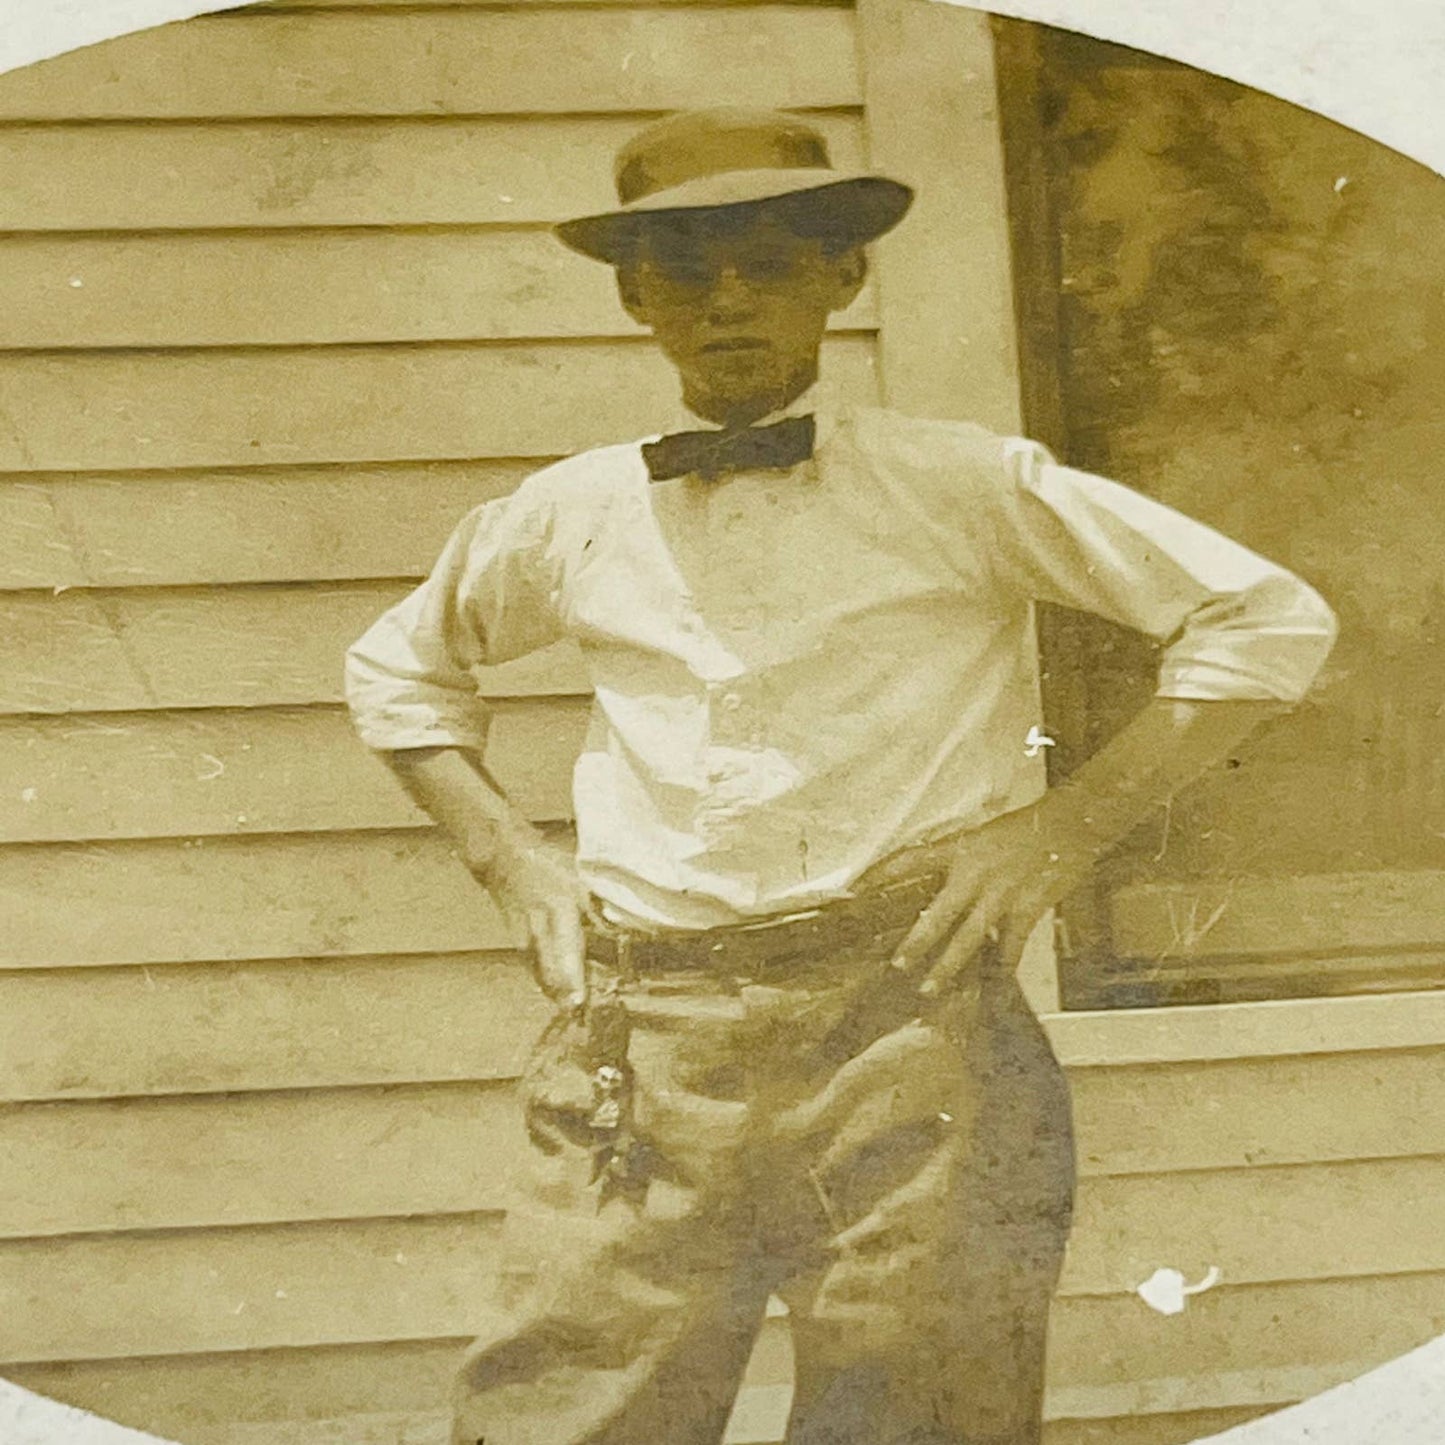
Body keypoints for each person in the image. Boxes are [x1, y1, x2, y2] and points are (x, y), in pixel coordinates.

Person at [344, 107, 1337, 1445]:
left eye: (769, 257)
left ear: (841, 275)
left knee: (919, 1419)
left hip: (908, 1036)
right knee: (560, 1417)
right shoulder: (568, 512)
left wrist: (1060, 831)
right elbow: (401, 673)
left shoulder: (959, 482)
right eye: (687, 269)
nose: (729, 298)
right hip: (641, 1042)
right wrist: (508, 860)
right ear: (638, 297)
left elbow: (1260, 619)